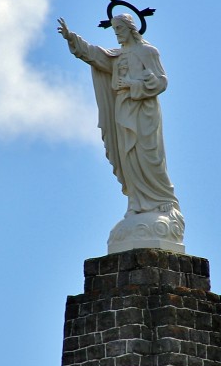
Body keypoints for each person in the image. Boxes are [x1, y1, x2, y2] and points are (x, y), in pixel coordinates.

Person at [57, 13, 181, 219]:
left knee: (149, 155)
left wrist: (134, 84)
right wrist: (72, 38)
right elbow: (94, 55)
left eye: (120, 29)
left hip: (144, 111)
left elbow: (161, 82)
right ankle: (137, 201)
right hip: (123, 109)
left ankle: (163, 198)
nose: (117, 34)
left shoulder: (148, 52)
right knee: (128, 156)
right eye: (114, 30)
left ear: (131, 29)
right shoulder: (118, 56)